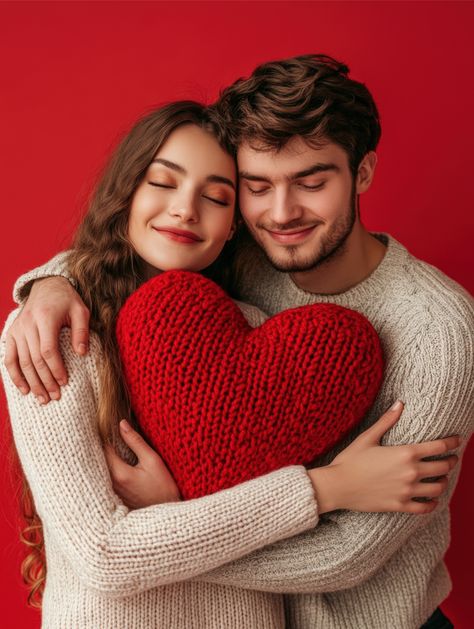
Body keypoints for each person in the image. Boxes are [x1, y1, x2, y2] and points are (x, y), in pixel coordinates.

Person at [4, 53, 473, 628]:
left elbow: (345, 554)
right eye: (255, 187)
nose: (282, 212)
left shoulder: (441, 333)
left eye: (313, 181)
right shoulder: (247, 259)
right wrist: (48, 285)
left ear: (364, 173)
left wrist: (171, 526)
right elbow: (142, 245)